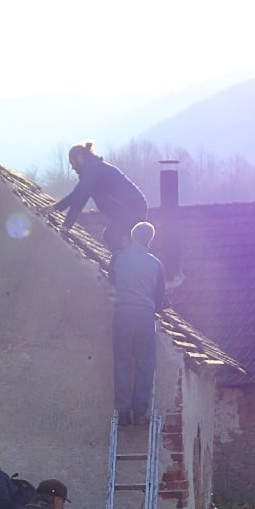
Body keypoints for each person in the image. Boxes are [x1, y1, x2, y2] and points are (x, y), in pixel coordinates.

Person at [108, 221, 168, 426]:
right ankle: (141, 414)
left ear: (133, 237)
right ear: (150, 240)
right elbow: (160, 299)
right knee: (145, 363)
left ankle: (123, 412)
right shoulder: (156, 264)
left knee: (122, 361)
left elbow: (113, 281)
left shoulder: (118, 257)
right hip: (144, 315)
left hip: (123, 313)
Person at [42, 142, 149, 252]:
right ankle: (127, 262)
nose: (72, 168)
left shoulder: (93, 169)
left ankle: (125, 264)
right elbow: (79, 201)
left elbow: (77, 194)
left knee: (117, 237)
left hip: (132, 207)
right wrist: (66, 227)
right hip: (132, 206)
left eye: (72, 163)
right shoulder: (92, 170)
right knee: (113, 237)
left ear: (79, 158)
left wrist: (54, 208)